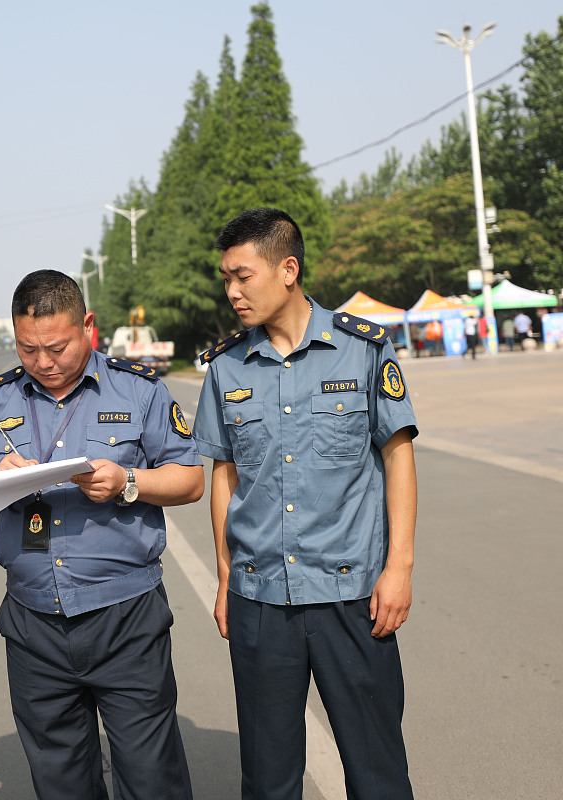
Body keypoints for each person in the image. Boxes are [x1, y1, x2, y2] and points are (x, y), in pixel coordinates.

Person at [192, 208, 418, 800]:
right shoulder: (225, 367)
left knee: (378, 773)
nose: (232, 291)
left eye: (243, 275)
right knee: (268, 780)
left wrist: (399, 568)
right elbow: (223, 475)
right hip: (260, 600)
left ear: (287, 269)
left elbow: (397, 457)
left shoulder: (362, 350)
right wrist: (223, 575)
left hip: (353, 597)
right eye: (226, 278)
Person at [0, 270, 204, 800]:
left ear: (88, 326)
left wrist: (128, 481)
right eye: (28, 349)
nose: (43, 362)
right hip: (33, 622)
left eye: (57, 347)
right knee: (59, 776)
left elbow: (190, 479)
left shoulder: (139, 390)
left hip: (125, 618)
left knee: (150, 773)